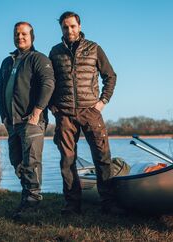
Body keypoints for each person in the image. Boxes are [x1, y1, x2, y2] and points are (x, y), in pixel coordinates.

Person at [49, 11, 123, 215]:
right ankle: (72, 205)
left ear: (79, 26)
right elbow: (49, 83)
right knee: (67, 160)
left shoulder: (94, 48)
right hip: (65, 114)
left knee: (102, 157)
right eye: (65, 27)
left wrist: (102, 102)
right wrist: (54, 108)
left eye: (72, 26)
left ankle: (108, 204)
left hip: (91, 111)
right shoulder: (55, 52)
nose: (69, 30)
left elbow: (110, 76)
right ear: (61, 28)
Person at [0, 22, 55, 216]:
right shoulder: (7, 61)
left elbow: (48, 85)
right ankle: (26, 195)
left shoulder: (38, 59)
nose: (20, 37)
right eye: (17, 34)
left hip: (32, 121)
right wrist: (4, 117)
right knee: (17, 161)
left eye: (24, 34)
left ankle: (32, 203)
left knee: (31, 162)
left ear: (32, 36)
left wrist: (37, 112)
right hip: (12, 123)